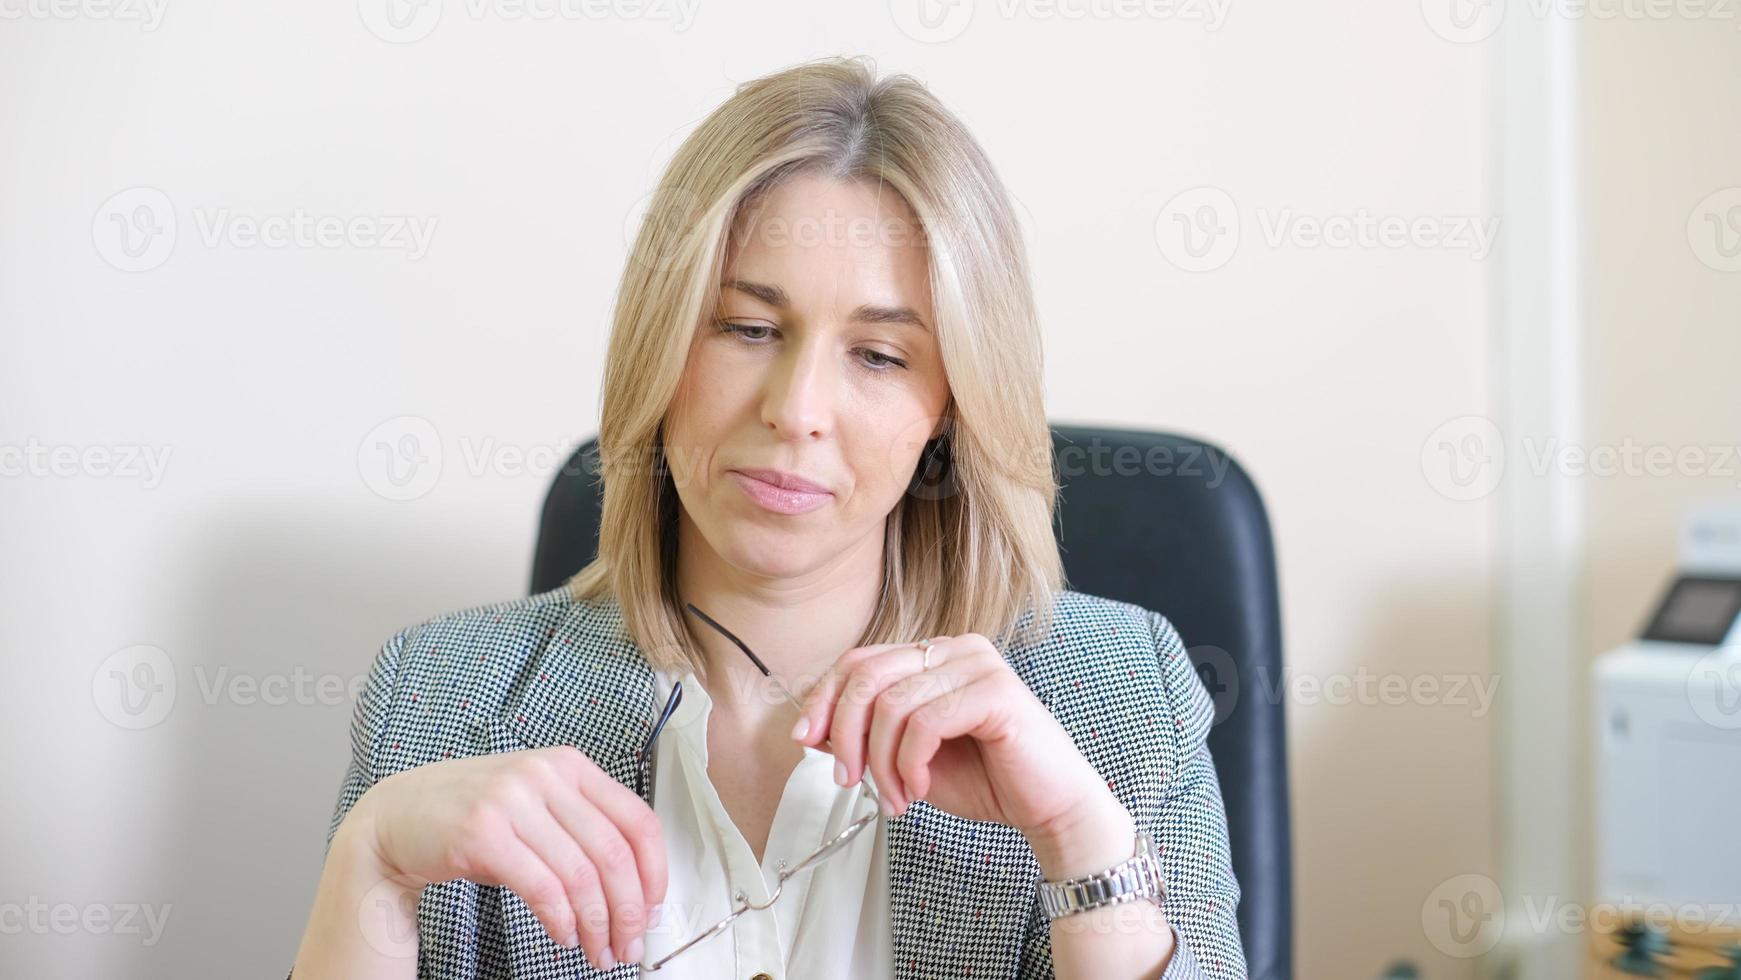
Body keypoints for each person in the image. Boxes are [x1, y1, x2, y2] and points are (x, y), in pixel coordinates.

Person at [289, 55, 1246, 980]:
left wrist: (1085, 851)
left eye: (878, 355)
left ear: (949, 408)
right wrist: (369, 861)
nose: (796, 410)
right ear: (660, 349)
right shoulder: (440, 700)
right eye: (749, 329)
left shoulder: (1122, 701)